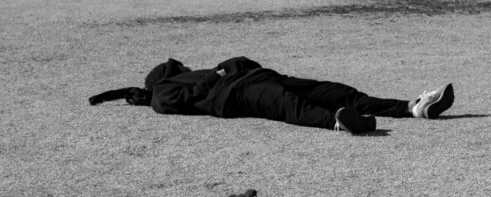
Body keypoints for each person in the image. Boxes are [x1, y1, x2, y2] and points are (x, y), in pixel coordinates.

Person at [89, 56, 454, 134]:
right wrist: (216, 77)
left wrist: (226, 66)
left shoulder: (190, 74)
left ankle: (412, 108)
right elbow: (178, 104)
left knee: (334, 90)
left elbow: (239, 60)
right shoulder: (161, 94)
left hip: (258, 76)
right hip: (237, 95)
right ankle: (337, 122)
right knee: (289, 107)